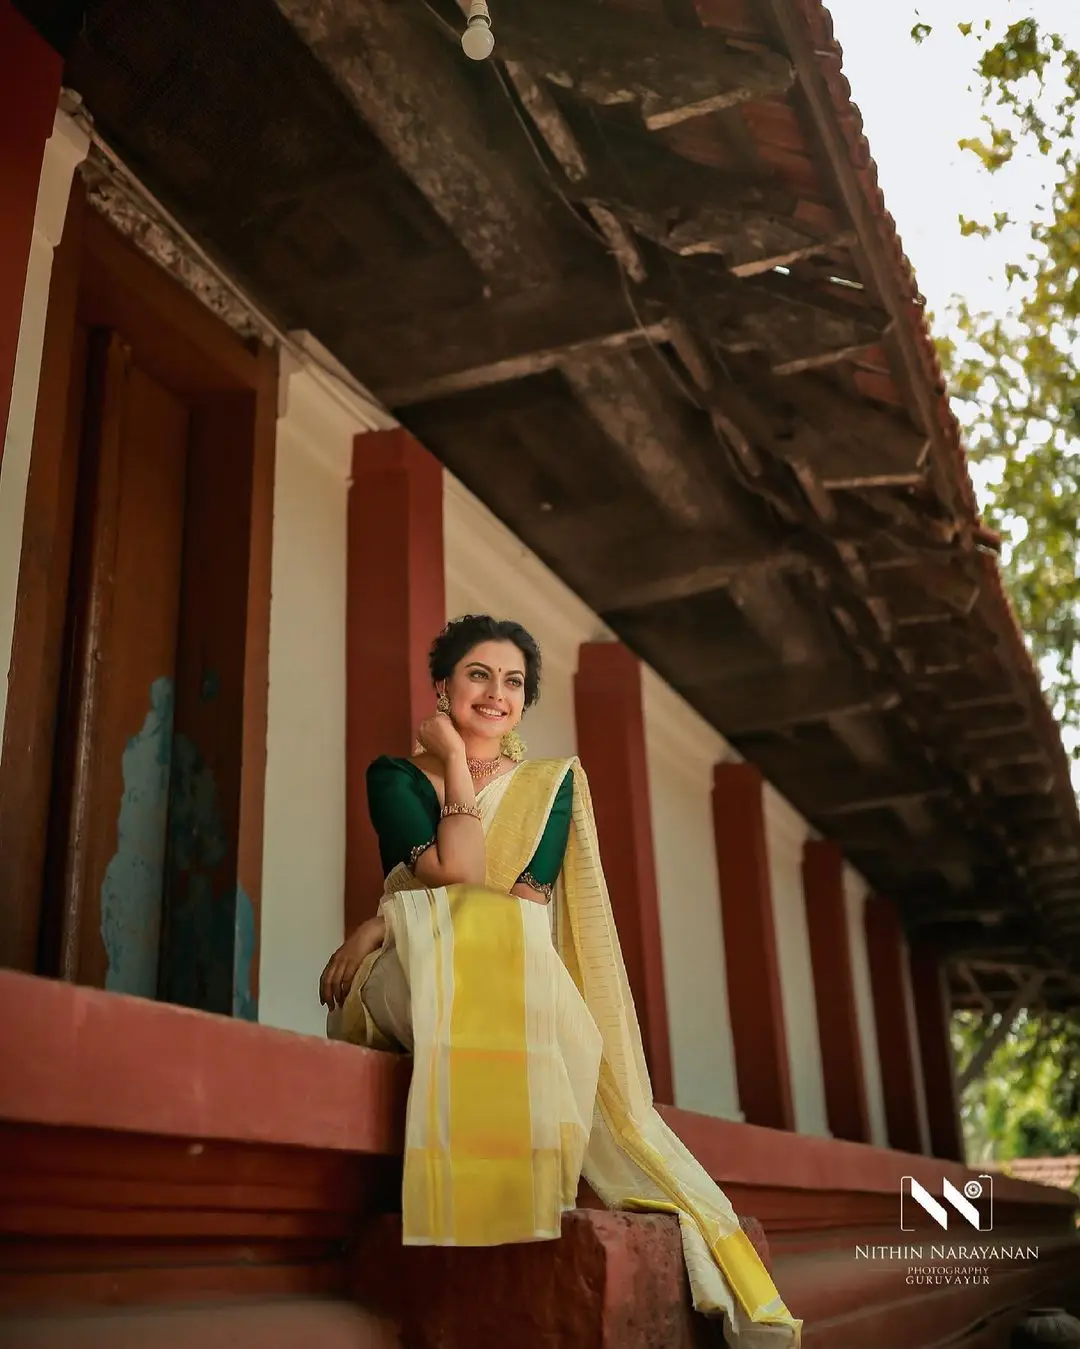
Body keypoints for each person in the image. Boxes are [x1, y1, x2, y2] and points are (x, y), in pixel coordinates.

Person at [320, 615, 801, 1347]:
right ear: (443, 685)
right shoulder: (393, 775)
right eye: (478, 674)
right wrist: (451, 761)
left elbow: (511, 909)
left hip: (496, 968)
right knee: (499, 971)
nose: (496, 693)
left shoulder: (552, 787)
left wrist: (387, 917)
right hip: (401, 981)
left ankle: (514, 1203)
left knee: (538, 991)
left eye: (513, 681)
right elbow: (461, 874)